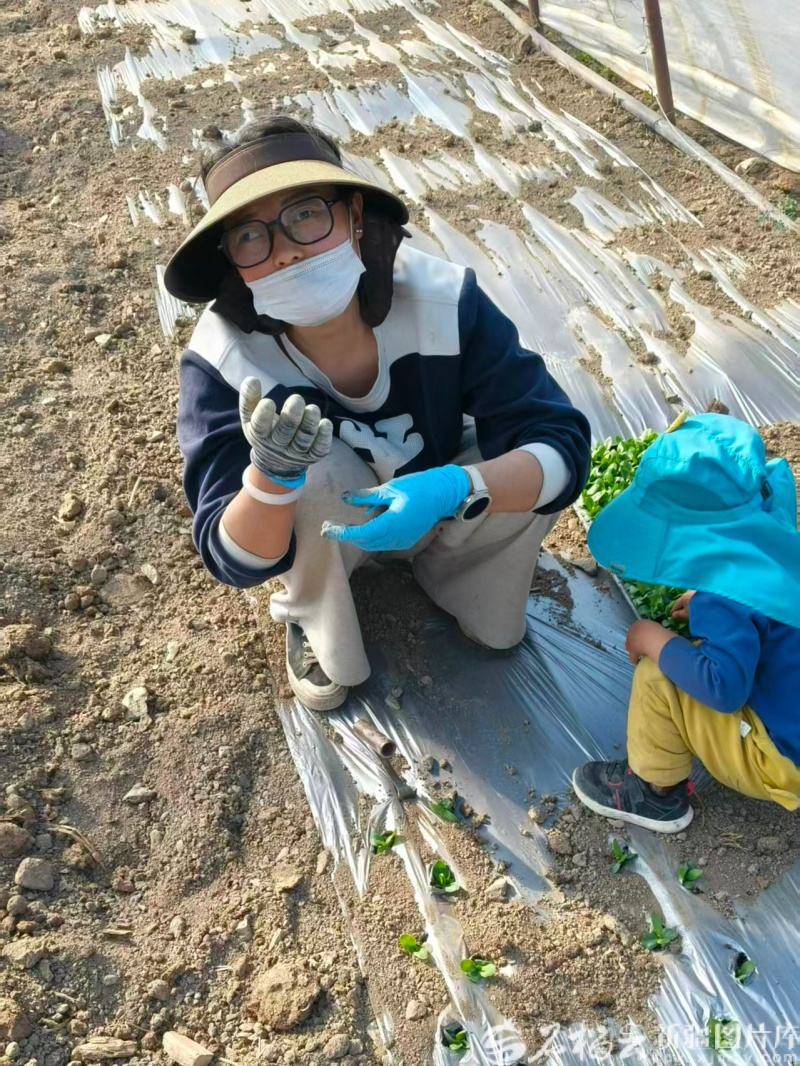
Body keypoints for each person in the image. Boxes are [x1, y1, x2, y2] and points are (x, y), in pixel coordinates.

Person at [165, 116, 590, 711]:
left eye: (305, 214)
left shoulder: (442, 300)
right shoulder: (225, 360)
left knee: (522, 468)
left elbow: (561, 442)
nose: (285, 251)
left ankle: (461, 576)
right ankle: (316, 612)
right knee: (308, 474)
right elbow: (231, 557)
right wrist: (270, 480)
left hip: (442, 493)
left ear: (355, 215)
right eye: (250, 236)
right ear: (232, 261)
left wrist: (457, 486)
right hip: (330, 518)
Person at [572, 413, 800, 833]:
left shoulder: (724, 596)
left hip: (782, 762)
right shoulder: (778, 540)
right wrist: (708, 603)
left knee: (657, 676)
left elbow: (724, 688)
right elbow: (759, 610)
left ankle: (653, 792)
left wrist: (651, 638)